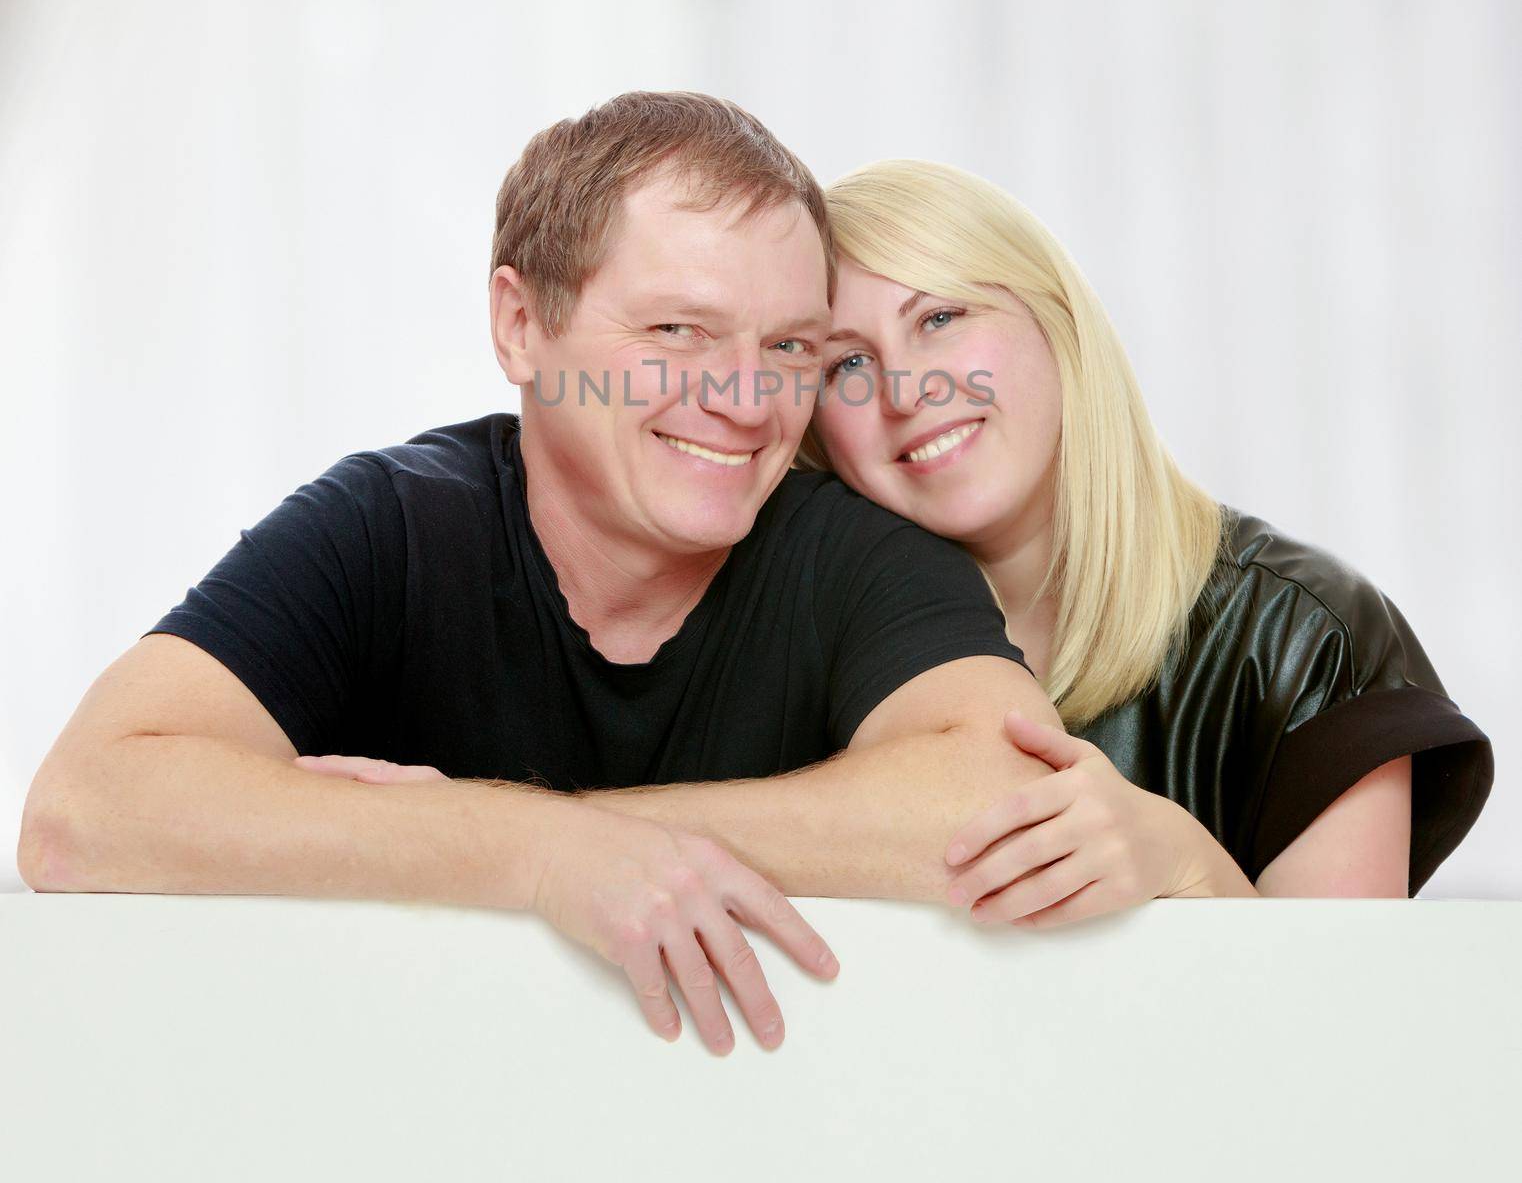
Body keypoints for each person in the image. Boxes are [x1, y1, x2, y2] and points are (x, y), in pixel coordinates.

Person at [18, 94, 1064, 1055]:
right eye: (675, 331)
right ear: (521, 325)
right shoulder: (392, 526)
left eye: (789, 346)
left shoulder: (853, 549)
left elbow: (1011, 800)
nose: (750, 400)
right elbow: (83, 812)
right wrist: (535, 856)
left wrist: (555, 833)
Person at [803, 158, 1493, 925]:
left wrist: (1186, 862)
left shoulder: (1305, 634)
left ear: (1057, 323)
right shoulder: (784, 649)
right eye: (848, 364)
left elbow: (1345, 1033)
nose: (903, 391)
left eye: (939, 318)